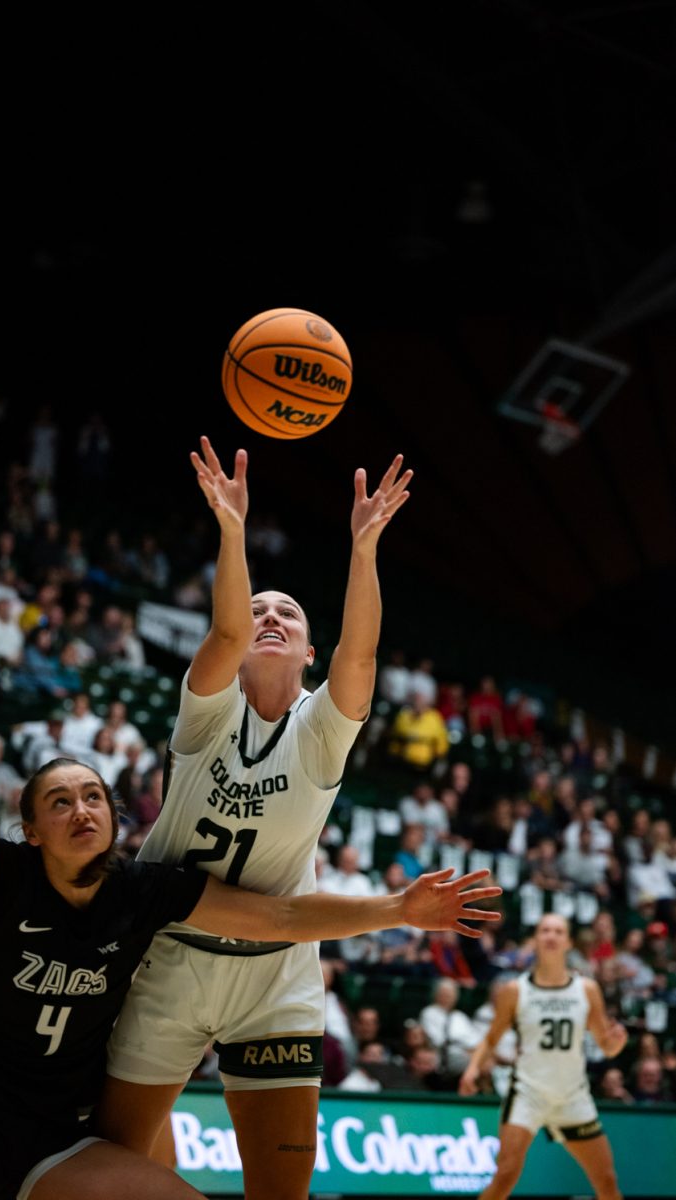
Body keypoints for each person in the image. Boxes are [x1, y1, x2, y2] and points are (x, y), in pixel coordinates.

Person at [0, 594, 502, 1200]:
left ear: (118, 820)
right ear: (31, 830)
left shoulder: (145, 891)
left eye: (93, 796)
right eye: (60, 801)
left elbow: (282, 914)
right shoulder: (6, 873)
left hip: (56, 1129)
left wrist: (399, 911)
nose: (81, 810)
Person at [96, 436, 427, 1198]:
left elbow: (362, 659)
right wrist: (233, 530)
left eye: (288, 613)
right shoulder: (205, 715)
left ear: (309, 652)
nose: (270, 617)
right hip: (168, 958)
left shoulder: (320, 733)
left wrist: (365, 547)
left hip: (274, 975)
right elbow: (221, 634)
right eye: (258, 611)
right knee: (112, 1163)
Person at [459, 913, 627, 1200]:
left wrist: (618, 1043)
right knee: (505, 1176)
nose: (551, 936)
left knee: (607, 1182)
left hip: (573, 1095)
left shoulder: (586, 989)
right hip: (528, 1092)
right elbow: (491, 1038)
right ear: (535, 939)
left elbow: (606, 1046)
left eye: (558, 931)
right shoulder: (515, 991)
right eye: (545, 930)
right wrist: (471, 1069)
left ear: (568, 942)